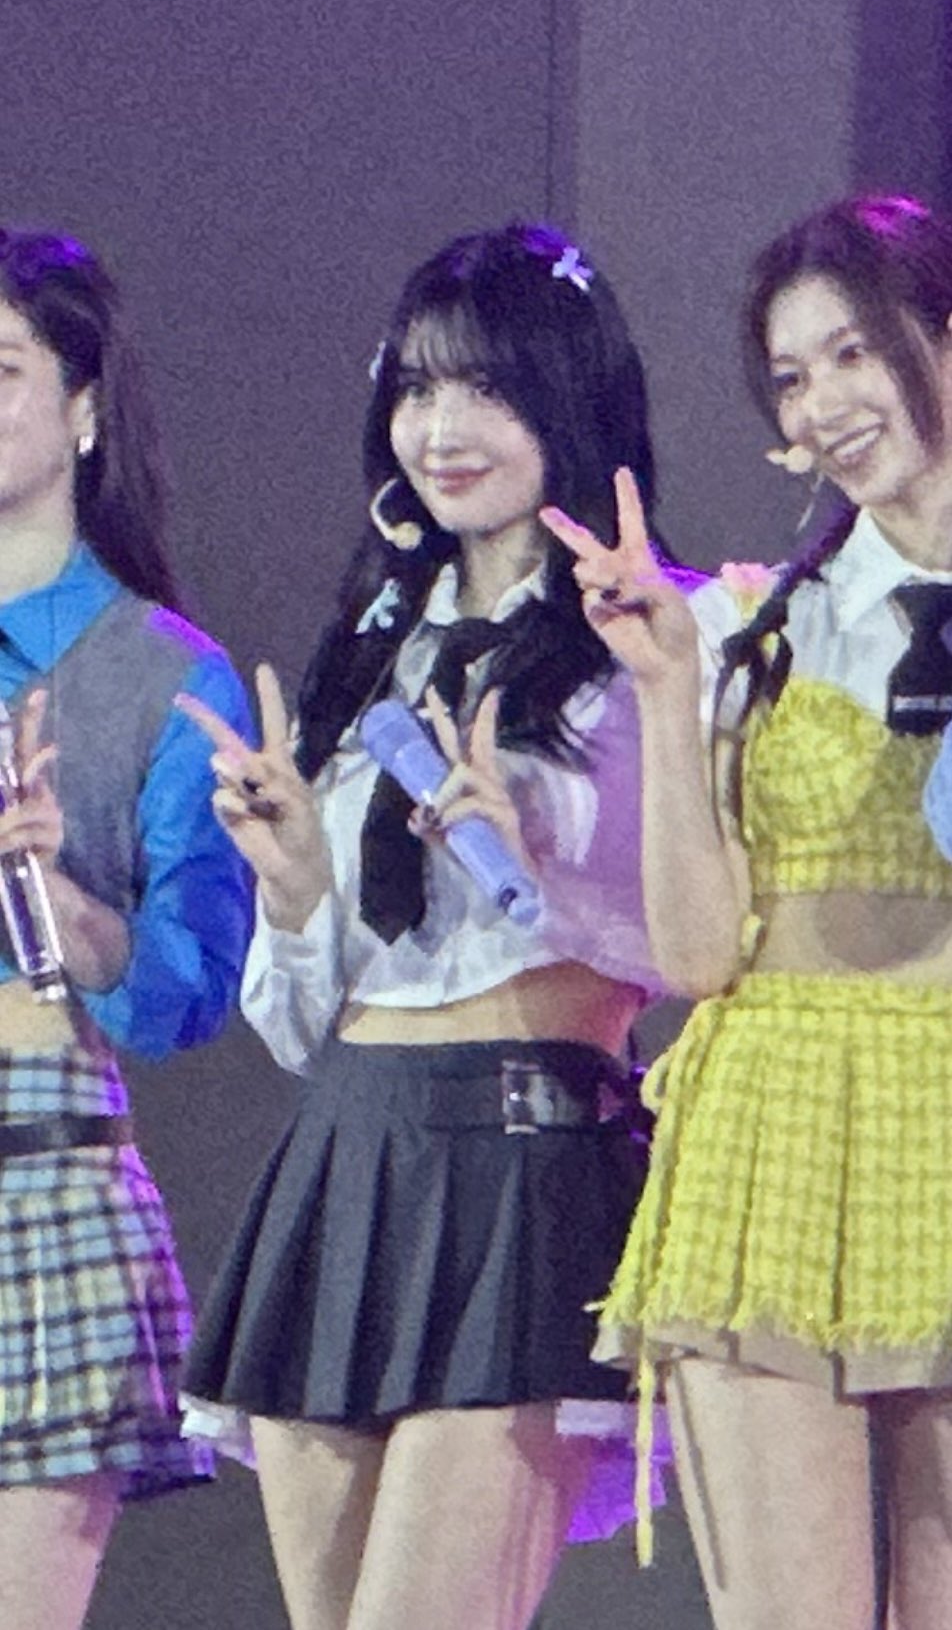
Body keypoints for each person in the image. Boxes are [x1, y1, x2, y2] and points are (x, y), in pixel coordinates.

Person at [178, 222, 686, 1630]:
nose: (441, 430)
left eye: (485, 388)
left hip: (527, 1158)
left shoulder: (653, 634)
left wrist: (538, 867)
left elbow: (699, 936)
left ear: (566, 397)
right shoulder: (375, 645)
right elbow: (308, 1017)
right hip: (350, 1153)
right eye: (415, 388)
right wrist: (295, 887)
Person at [544, 191, 952, 1630]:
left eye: (855, 352)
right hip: (775, 1134)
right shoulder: (757, 624)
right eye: (791, 376)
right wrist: (667, 691)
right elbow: (699, 952)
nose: (825, 403)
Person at [0, 228, 252, 1630]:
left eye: (2, 369)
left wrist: (61, 890)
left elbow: (183, 993)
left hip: (38, 1173)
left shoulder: (168, 677)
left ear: (84, 406)